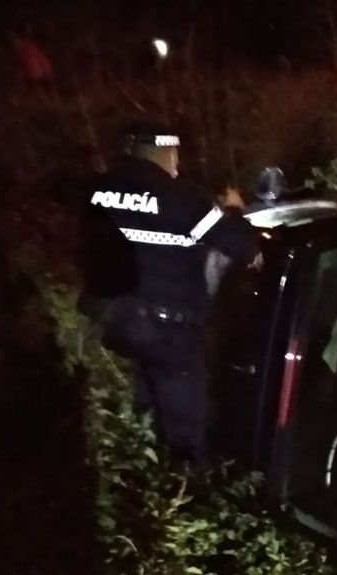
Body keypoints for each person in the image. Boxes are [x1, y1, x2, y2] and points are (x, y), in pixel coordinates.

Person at [78, 122, 259, 471]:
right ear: (165, 153)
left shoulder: (98, 190)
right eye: (175, 154)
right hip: (168, 329)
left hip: (117, 318)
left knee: (147, 401)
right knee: (187, 424)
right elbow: (240, 245)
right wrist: (234, 210)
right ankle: (187, 489)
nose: (177, 162)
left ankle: (143, 473)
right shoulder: (182, 198)